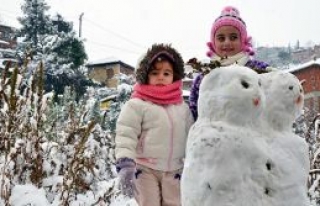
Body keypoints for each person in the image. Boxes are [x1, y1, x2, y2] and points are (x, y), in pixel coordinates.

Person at [115, 43, 194, 206]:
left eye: (166, 73)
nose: (161, 77)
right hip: (145, 169)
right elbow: (126, 133)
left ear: (175, 76)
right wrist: (125, 164)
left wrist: (197, 161)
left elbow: (192, 136)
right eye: (155, 72)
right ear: (145, 75)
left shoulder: (182, 107)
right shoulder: (137, 105)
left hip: (175, 171)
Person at [189, 6, 271, 121]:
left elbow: (275, 97)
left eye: (233, 37)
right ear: (213, 42)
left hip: (252, 135)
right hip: (214, 136)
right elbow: (194, 114)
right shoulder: (204, 77)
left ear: (243, 40)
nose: (227, 42)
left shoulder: (259, 70)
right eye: (221, 38)